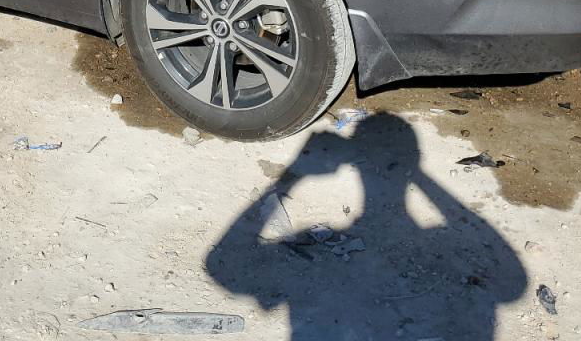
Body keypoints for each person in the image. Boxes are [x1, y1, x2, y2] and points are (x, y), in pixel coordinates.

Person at [206, 114, 526, 340]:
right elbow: (512, 283)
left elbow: (222, 265)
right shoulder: (439, 245)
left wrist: (296, 173)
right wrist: (416, 173)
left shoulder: (315, 247)